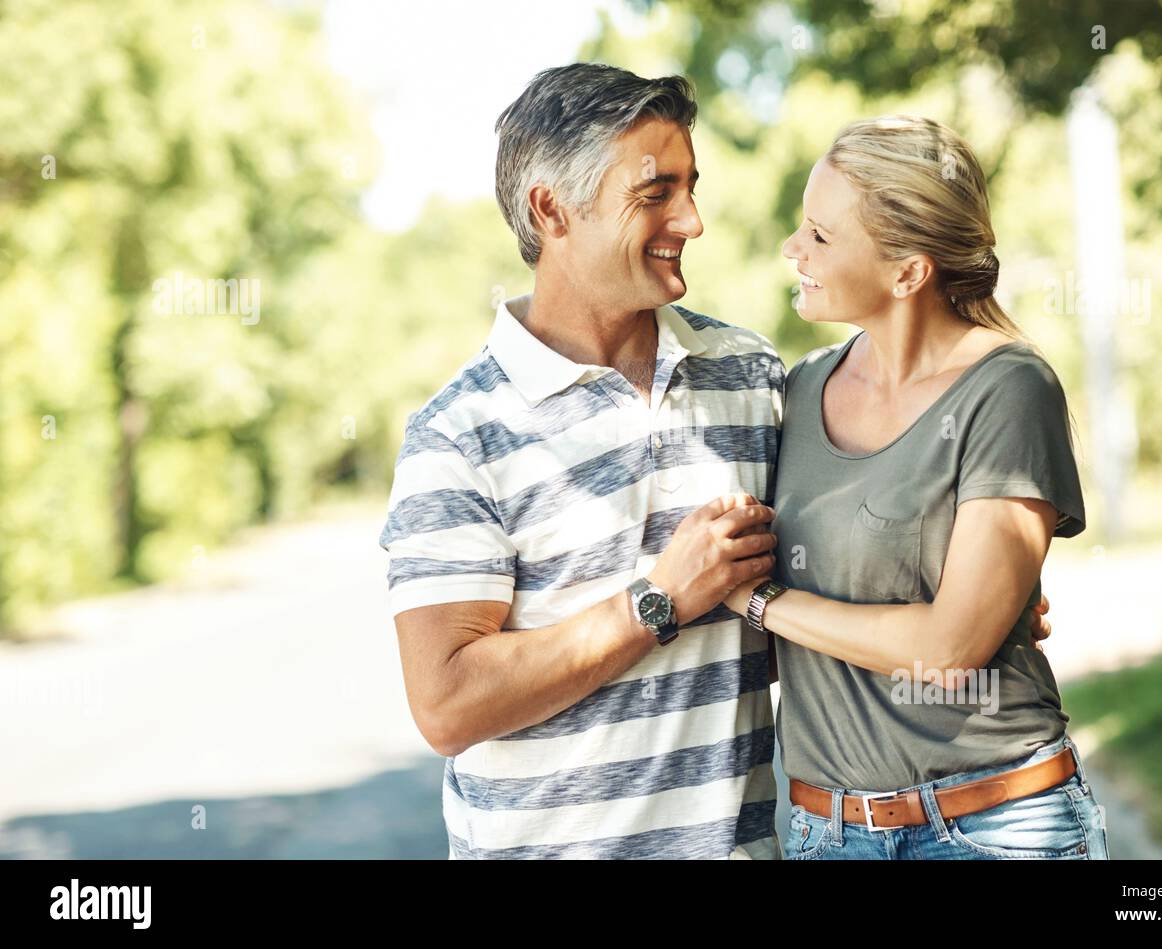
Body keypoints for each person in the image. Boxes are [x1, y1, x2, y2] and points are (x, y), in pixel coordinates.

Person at [378, 63, 786, 859]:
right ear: (550, 208)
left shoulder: (751, 375)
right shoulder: (459, 434)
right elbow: (448, 704)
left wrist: (953, 594)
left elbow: (801, 599)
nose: (693, 220)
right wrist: (658, 600)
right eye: (655, 193)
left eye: (691, 185)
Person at [724, 115, 1109, 860]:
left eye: (820, 236)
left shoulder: (1008, 390)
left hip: (994, 826)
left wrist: (764, 602)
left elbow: (951, 646)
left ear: (908, 273)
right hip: (826, 832)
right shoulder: (798, 393)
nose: (791, 249)